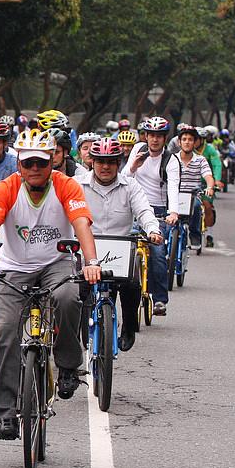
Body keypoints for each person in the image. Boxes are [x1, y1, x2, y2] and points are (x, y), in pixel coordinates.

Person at [0, 129, 103, 440]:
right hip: (15, 269)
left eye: (41, 163)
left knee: (68, 297)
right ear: (19, 165)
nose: (35, 170)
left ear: (52, 160)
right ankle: (5, 414)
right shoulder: (6, 188)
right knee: (5, 333)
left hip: (56, 264)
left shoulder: (66, 185)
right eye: (28, 164)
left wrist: (92, 263)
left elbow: (81, 223)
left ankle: (69, 366)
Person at [75, 137, 162, 351]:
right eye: (101, 161)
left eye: (111, 162)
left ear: (119, 163)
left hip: (120, 251)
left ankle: (129, 327)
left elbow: (143, 210)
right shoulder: (77, 185)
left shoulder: (130, 185)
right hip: (87, 250)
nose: (106, 167)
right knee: (74, 292)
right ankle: (74, 336)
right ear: (92, 162)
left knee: (132, 286)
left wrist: (152, 230)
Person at [121, 116, 180, 317]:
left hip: (159, 212)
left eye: (159, 136)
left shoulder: (171, 160)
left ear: (165, 138)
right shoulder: (138, 150)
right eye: (151, 135)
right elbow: (123, 179)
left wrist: (173, 212)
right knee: (123, 249)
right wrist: (134, 166)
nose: (154, 140)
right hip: (135, 209)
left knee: (157, 253)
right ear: (145, 136)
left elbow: (173, 187)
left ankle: (160, 299)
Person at [174, 125, 216, 248]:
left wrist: (209, 187)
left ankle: (195, 235)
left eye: (190, 139)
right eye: (184, 139)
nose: (187, 142)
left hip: (193, 196)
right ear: (179, 142)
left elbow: (208, 176)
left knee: (197, 206)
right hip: (175, 195)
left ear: (195, 142)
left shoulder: (201, 160)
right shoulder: (172, 159)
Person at [196, 126, 223, 247]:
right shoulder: (188, 150)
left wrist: (216, 180)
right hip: (191, 184)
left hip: (207, 183)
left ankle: (209, 235)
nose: (193, 141)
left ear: (202, 140)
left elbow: (217, 164)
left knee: (207, 206)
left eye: (197, 139)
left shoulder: (210, 150)